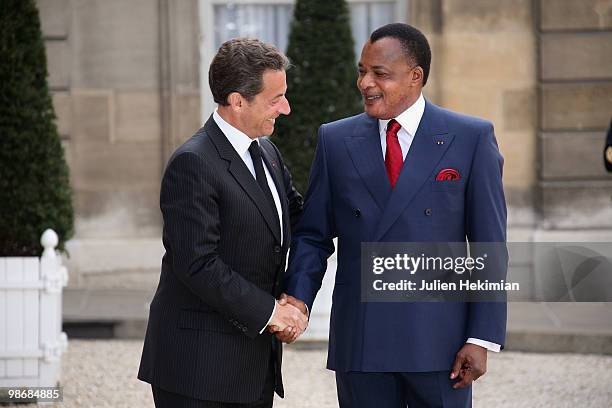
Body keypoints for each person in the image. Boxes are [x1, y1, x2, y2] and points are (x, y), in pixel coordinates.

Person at [278, 23, 507, 407]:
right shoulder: (335, 140)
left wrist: (481, 338)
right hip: (362, 340)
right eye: (362, 71)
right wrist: (297, 300)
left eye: (379, 73)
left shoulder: (471, 137)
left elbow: (488, 246)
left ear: (415, 77)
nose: (365, 82)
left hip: (440, 343)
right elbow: (313, 235)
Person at [138, 38, 306, 408]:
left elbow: (298, 218)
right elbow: (197, 263)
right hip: (198, 368)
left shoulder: (267, 151)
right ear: (237, 100)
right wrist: (272, 313)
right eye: (275, 99)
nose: (286, 108)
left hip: (253, 365)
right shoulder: (193, 163)